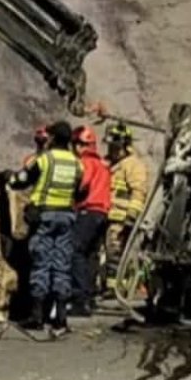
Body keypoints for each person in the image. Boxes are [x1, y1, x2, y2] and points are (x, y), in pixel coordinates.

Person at [7, 120, 83, 335]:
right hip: (67, 217)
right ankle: (60, 317)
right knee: (61, 263)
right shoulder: (77, 163)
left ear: (52, 138)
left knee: (41, 262)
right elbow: (81, 192)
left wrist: (9, 179)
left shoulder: (44, 160)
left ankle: (37, 316)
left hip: (44, 216)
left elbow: (21, 180)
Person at [104, 121, 150, 296]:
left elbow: (139, 192)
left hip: (122, 218)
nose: (111, 151)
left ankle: (116, 289)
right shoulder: (116, 165)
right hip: (111, 216)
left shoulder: (133, 165)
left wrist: (131, 216)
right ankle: (112, 287)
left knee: (116, 253)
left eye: (115, 147)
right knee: (110, 253)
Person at [70, 125, 111, 317]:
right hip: (102, 213)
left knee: (76, 252)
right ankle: (90, 297)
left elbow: (82, 184)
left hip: (88, 211)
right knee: (92, 255)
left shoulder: (85, 163)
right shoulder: (103, 164)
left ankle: (79, 299)